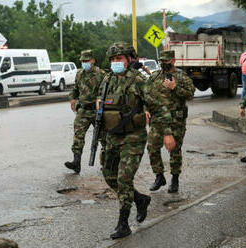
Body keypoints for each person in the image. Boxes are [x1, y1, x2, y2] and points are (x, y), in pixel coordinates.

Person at [98, 42, 157, 239]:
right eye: (113, 59)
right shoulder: (107, 80)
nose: (116, 62)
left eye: (119, 59)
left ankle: (123, 224)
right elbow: (103, 109)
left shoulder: (139, 81)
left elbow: (156, 104)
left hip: (133, 137)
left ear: (129, 60)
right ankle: (140, 199)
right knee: (109, 175)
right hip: (112, 136)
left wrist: (164, 132)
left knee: (124, 179)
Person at [145, 50, 195, 193]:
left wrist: (175, 88)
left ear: (173, 60)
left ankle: (175, 179)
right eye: (161, 61)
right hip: (157, 120)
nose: (163, 64)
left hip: (175, 120)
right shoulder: (154, 77)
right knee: (152, 148)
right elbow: (145, 94)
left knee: (174, 149)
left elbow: (191, 94)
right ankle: (159, 176)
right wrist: (145, 108)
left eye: (166, 61)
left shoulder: (181, 76)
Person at [65, 50, 106, 173]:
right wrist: (72, 98)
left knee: (103, 138)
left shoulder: (101, 74)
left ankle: (107, 163)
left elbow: (104, 91)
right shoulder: (79, 74)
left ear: (93, 60)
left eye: (87, 61)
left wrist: (99, 100)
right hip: (83, 110)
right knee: (78, 135)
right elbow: (75, 89)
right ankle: (76, 162)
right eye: (83, 61)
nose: (85, 63)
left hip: (96, 111)